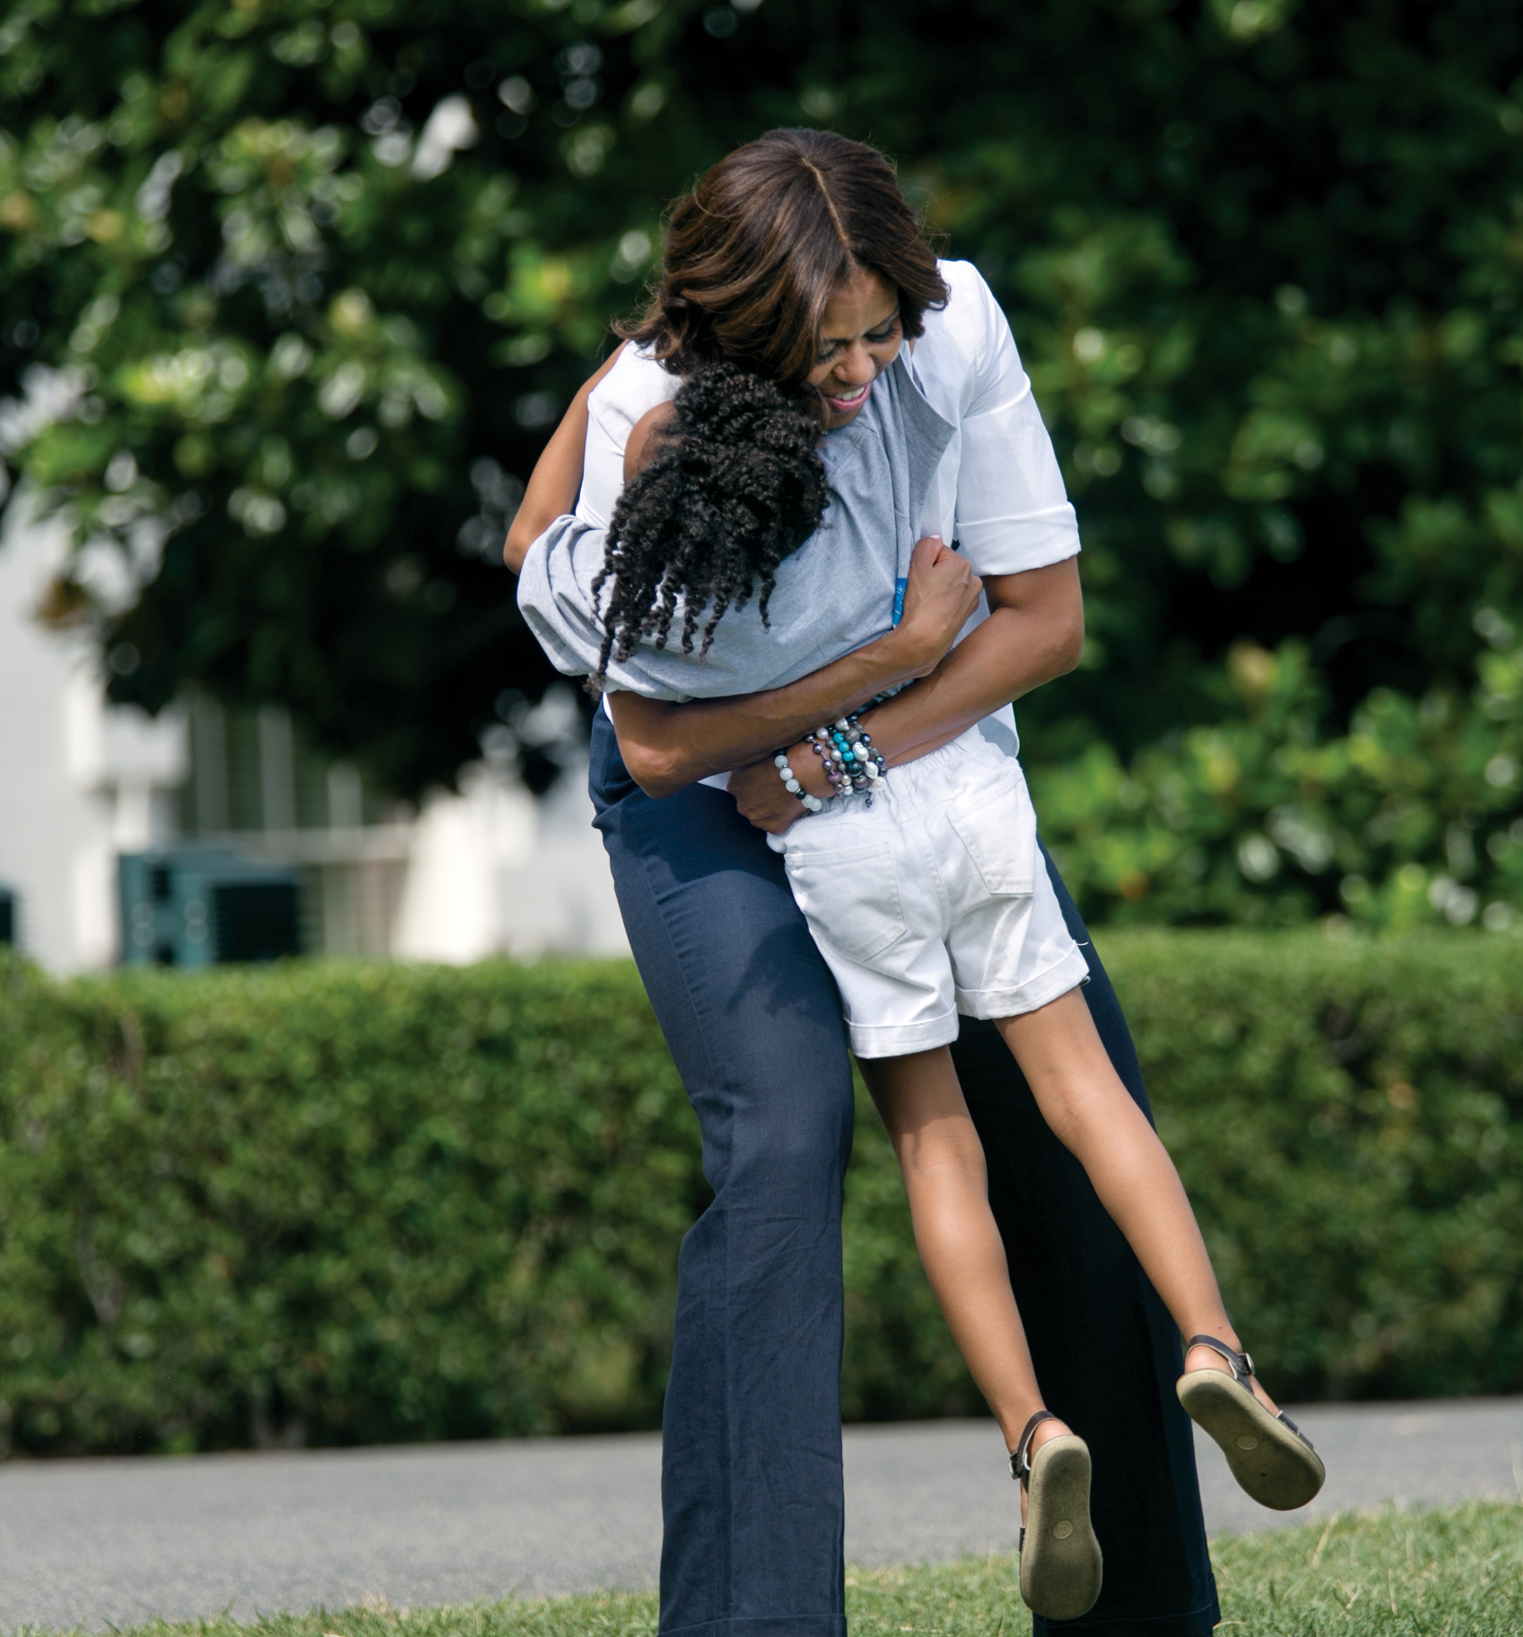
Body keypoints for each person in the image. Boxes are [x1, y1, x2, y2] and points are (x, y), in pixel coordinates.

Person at [509, 127, 1227, 1637]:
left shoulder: (949, 328)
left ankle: (1137, 1610)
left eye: (871, 333)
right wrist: (894, 659)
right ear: (735, 333)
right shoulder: (659, 413)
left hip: (913, 763)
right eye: (810, 349)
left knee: (1065, 1093)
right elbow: (651, 738)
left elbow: (1040, 620)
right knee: (785, 1124)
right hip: (704, 793)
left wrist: (858, 737)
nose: (851, 373)